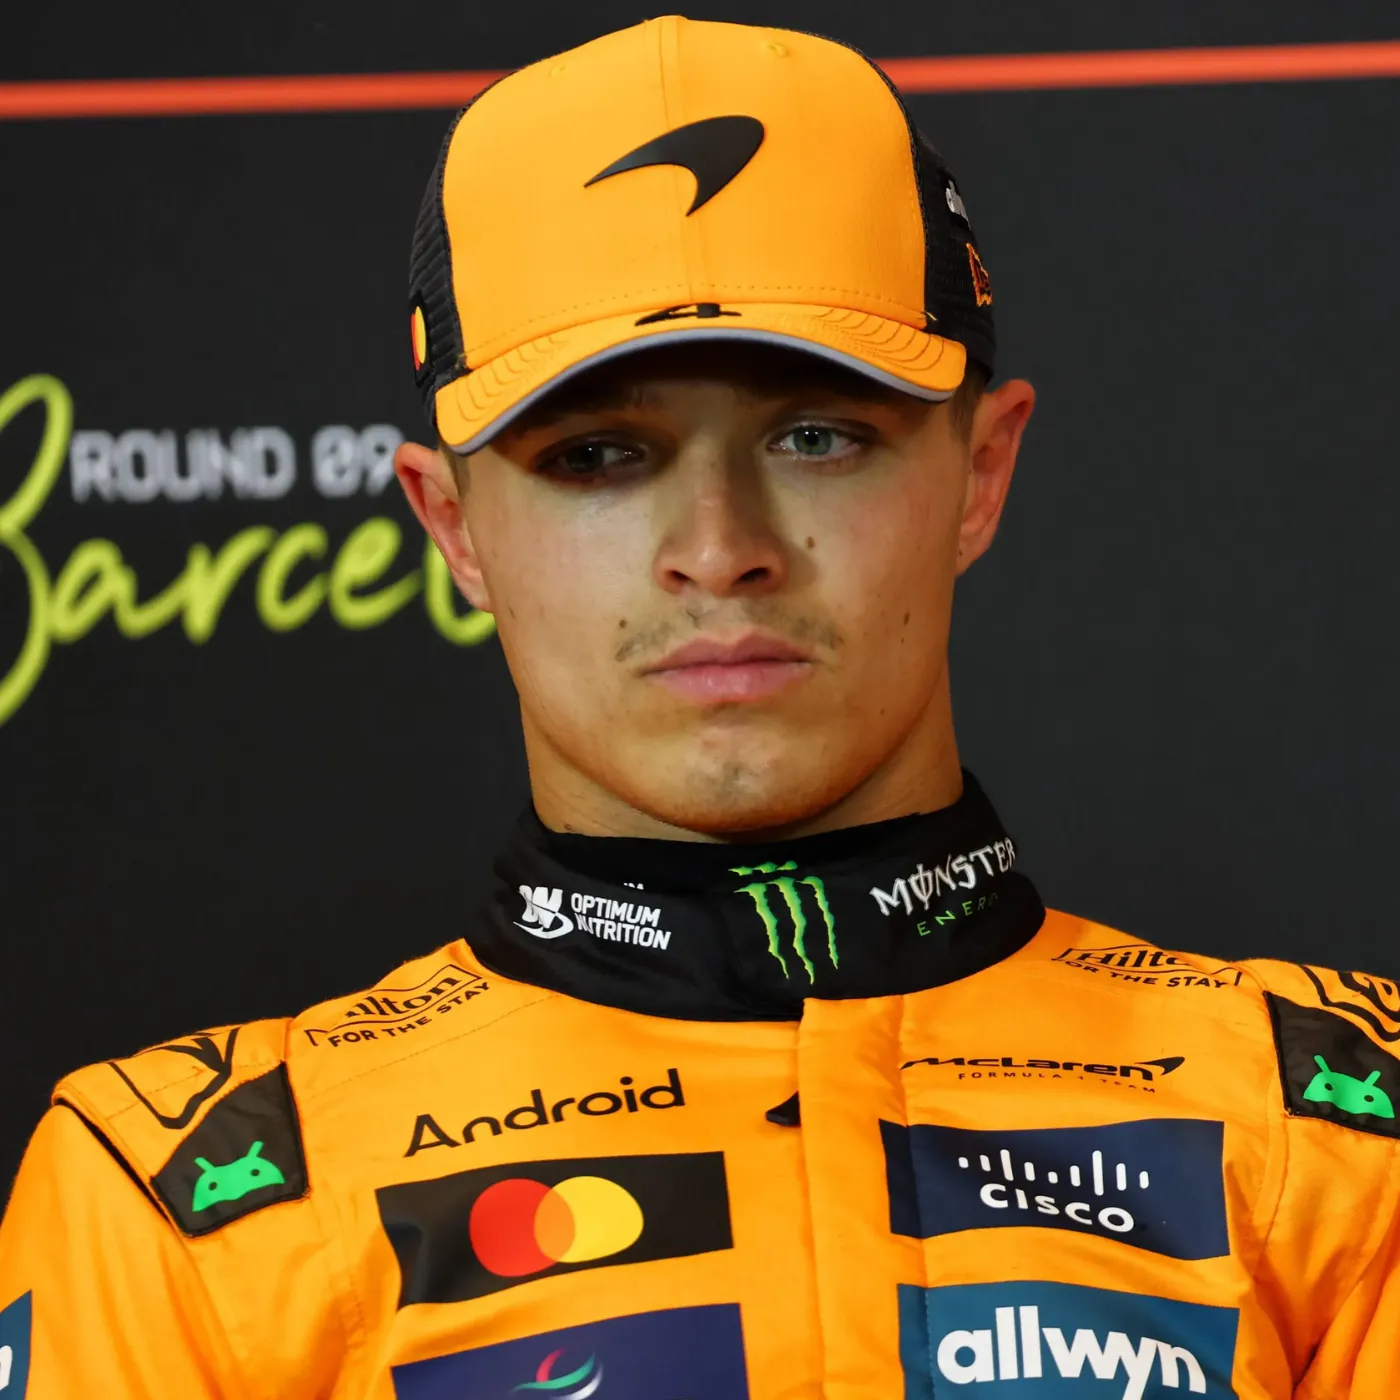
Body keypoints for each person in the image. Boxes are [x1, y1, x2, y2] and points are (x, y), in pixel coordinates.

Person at [1, 15, 1396, 1399]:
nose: (720, 548)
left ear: (981, 472)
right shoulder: (191, 1209)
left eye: (817, 436)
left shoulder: (1341, 1138)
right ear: (452, 525)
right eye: (598, 455)